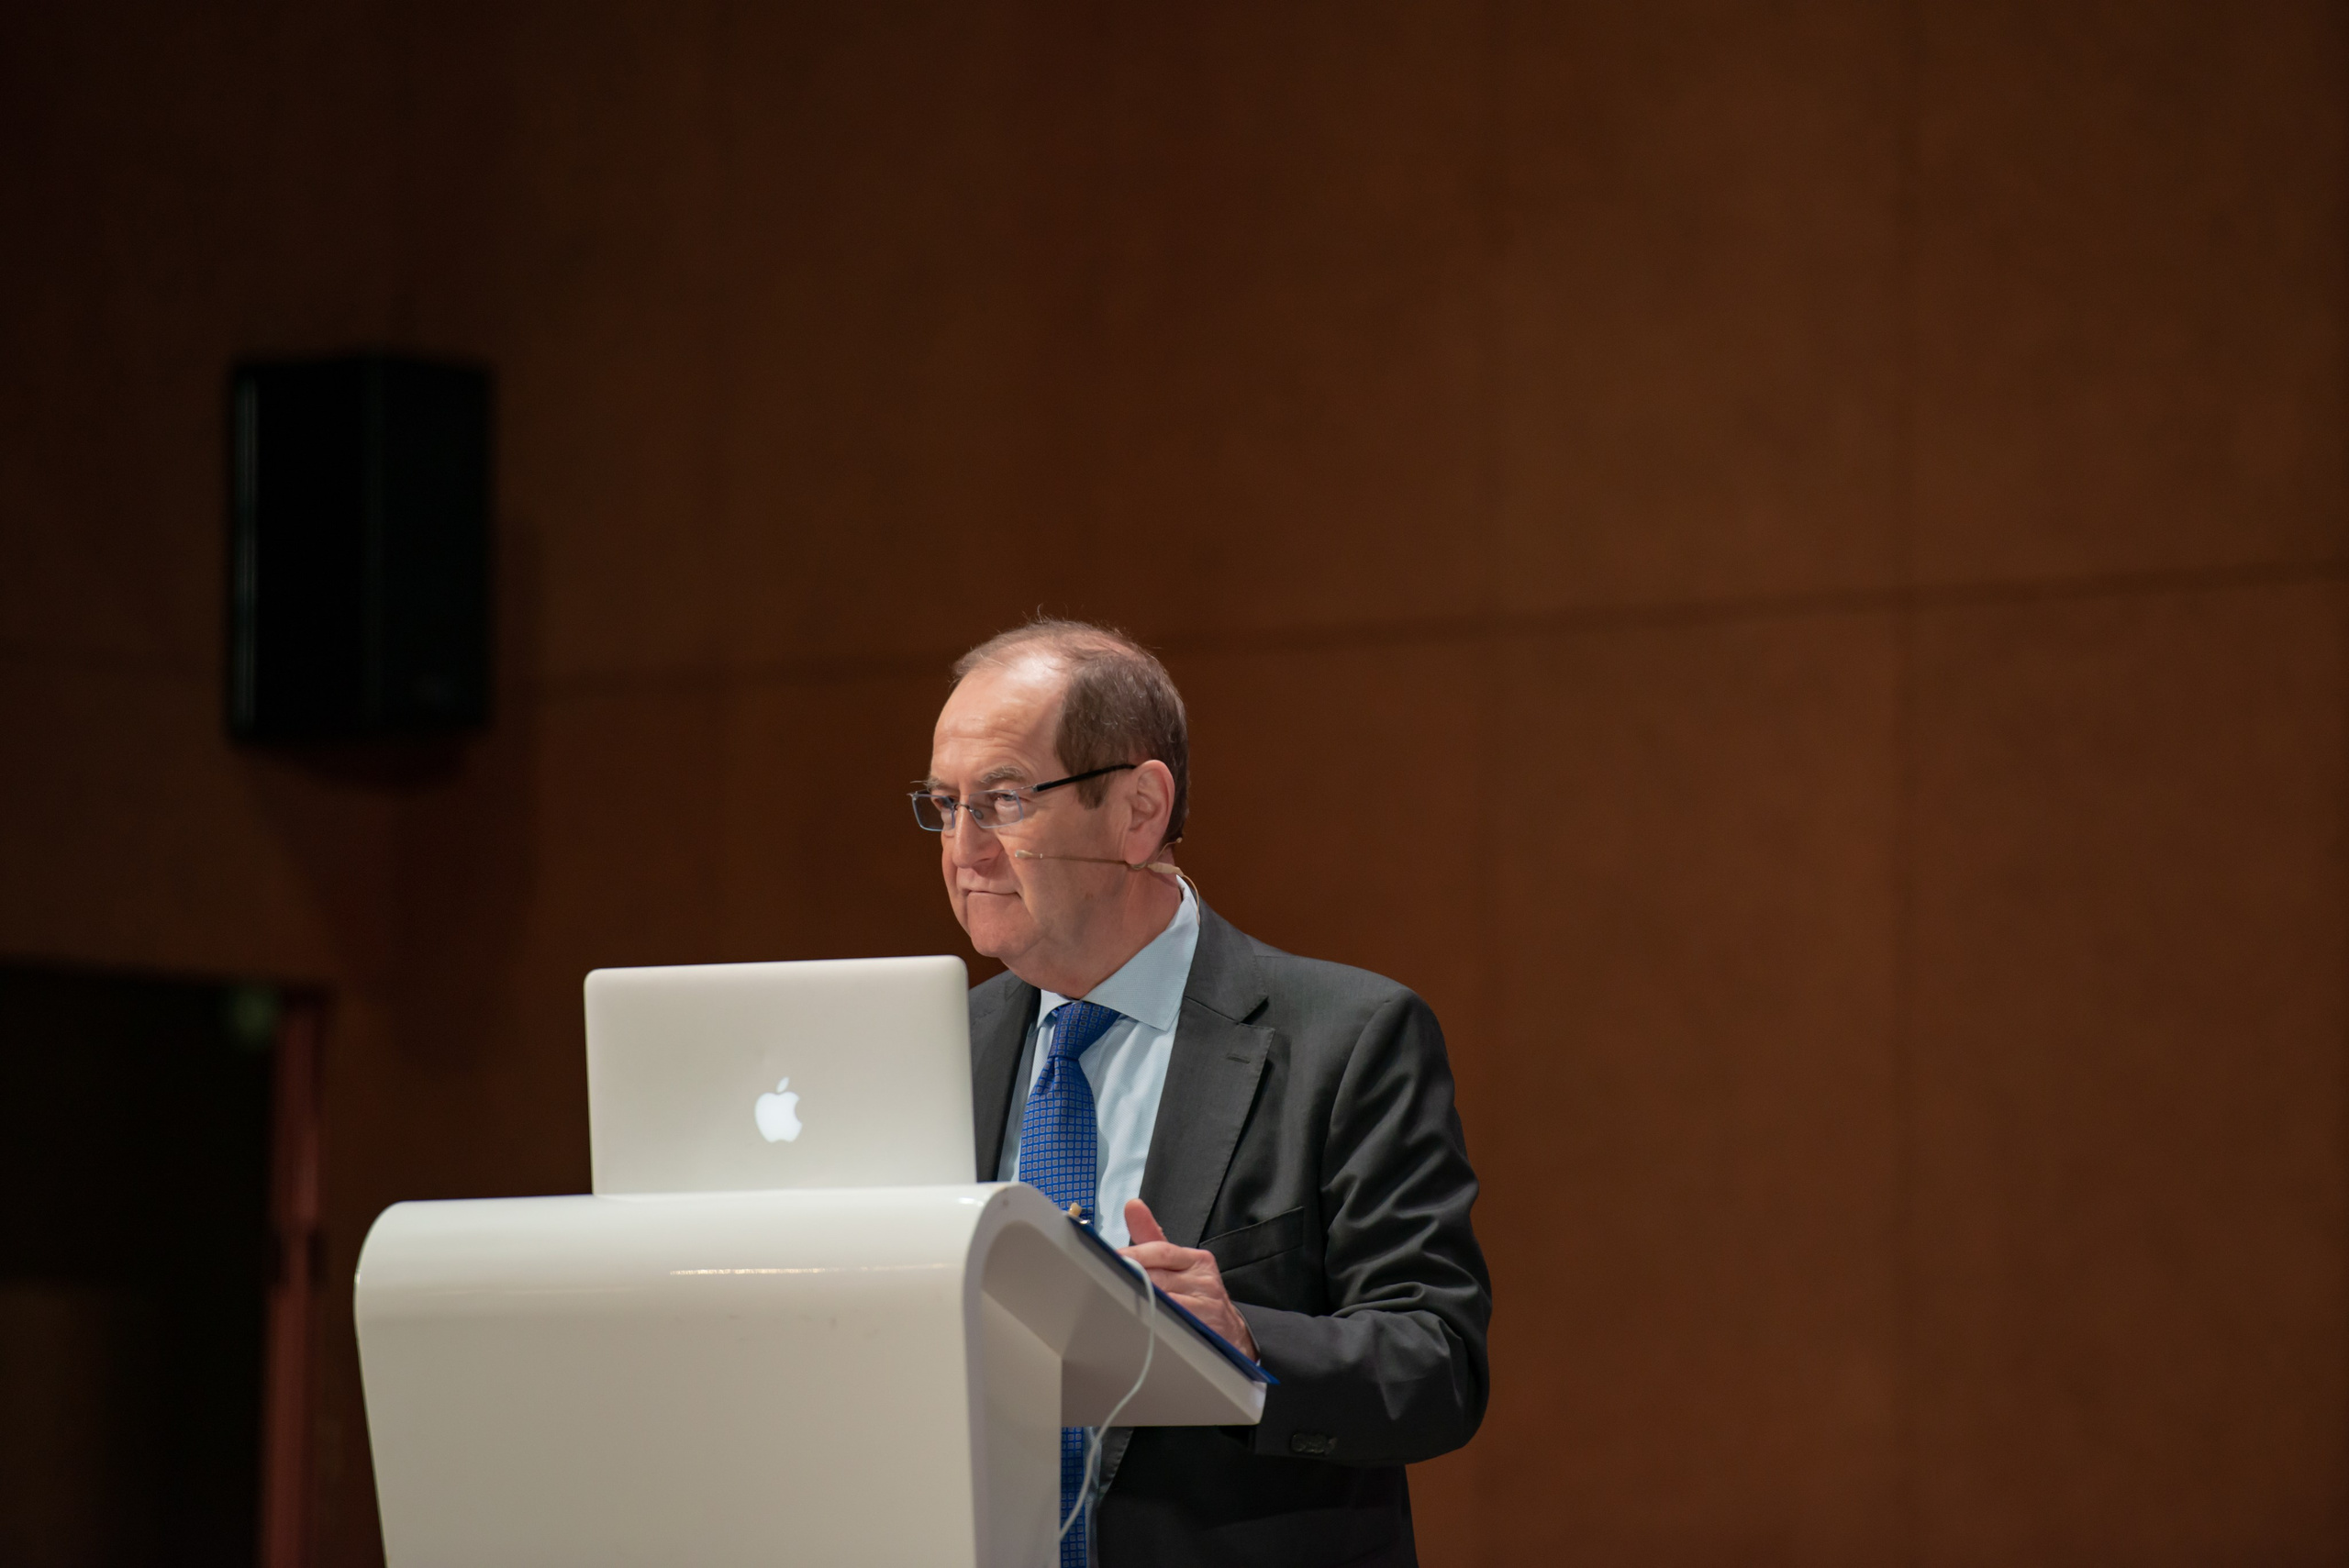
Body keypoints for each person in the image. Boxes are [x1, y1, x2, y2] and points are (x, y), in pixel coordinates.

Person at [915, 619, 1490, 1568]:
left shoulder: (1346, 1039)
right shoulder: (936, 1049)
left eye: (1005, 799)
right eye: (944, 804)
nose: (962, 848)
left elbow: (1435, 1364)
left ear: (1138, 809)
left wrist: (1241, 1339)